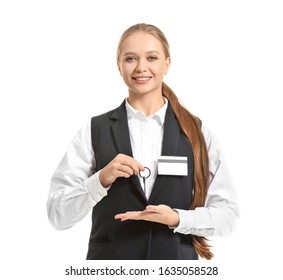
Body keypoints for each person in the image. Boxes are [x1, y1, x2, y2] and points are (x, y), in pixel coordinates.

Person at [47, 23, 239, 260]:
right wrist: (101, 180)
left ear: (166, 63)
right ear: (118, 65)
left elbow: (228, 216)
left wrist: (179, 219)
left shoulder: (197, 132)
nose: (141, 67)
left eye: (152, 57)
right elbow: (57, 215)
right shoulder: (93, 130)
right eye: (130, 59)